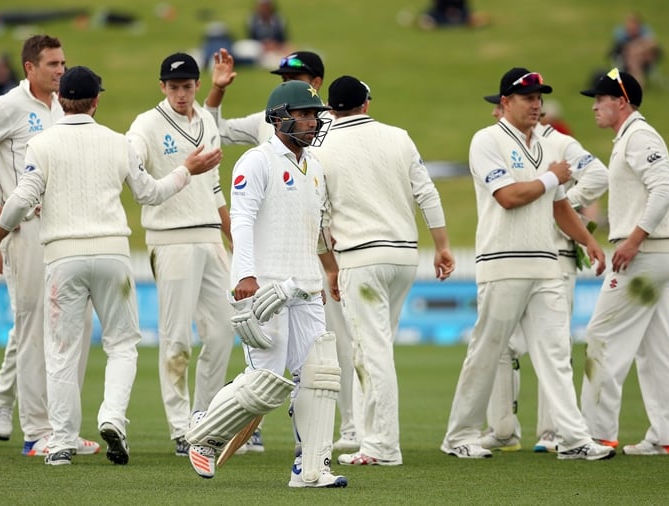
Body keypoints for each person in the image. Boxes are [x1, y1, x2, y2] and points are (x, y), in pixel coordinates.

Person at [0, 65, 222, 466]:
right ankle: (113, 418)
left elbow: (21, 199)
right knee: (123, 345)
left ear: (60, 100)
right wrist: (186, 171)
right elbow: (151, 194)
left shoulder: (43, 144)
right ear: (96, 101)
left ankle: (61, 443)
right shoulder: (117, 141)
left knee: (61, 351)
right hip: (113, 256)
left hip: (63, 256)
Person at [440, 67, 614, 461]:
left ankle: (572, 438)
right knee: (488, 350)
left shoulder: (551, 145)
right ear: (505, 102)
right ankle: (460, 435)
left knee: (555, 353)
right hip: (502, 261)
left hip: (546, 263)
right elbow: (508, 196)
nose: (536, 105)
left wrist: (587, 240)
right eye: (527, 98)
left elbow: (558, 206)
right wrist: (553, 178)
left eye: (539, 98)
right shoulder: (486, 140)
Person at [185, 80, 348, 488]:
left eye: (315, 115)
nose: (312, 122)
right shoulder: (256, 162)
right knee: (265, 385)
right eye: (304, 114)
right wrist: (245, 275)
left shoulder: (315, 166)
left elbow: (317, 228)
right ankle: (203, 432)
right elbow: (240, 220)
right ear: (279, 117)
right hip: (266, 289)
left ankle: (310, 468)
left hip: (306, 287)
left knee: (317, 377)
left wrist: (329, 268)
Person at [0, 34, 100, 457]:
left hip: (65, 228)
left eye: (63, 62)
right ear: (29, 68)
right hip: (24, 230)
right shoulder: (8, 107)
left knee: (65, 325)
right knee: (34, 325)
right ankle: (38, 433)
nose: (61, 70)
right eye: (53, 64)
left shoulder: (64, 105)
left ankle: (27, 410)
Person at [314, 76, 455, 466]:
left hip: (361, 259)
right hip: (403, 258)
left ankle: (383, 446)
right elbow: (426, 192)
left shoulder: (320, 146)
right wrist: (442, 246)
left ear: (330, 108)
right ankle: (367, 435)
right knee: (371, 348)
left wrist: (329, 267)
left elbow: (318, 216)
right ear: (366, 104)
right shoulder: (399, 136)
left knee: (371, 350)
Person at [478, 93, 609, 454]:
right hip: (514, 256)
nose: (494, 111)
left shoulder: (558, 141)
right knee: (502, 346)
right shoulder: (499, 142)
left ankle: (553, 432)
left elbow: (598, 174)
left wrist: (568, 212)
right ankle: (503, 429)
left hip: (556, 256)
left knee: (554, 346)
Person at [126, 52, 235, 457]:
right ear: (162, 87)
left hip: (209, 236)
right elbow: (133, 166)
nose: (182, 94)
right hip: (169, 238)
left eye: (188, 86)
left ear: (195, 85)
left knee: (223, 331)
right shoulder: (145, 125)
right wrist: (182, 168)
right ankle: (178, 428)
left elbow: (216, 186)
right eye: (174, 87)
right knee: (176, 342)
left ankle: (203, 419)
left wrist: (230, 233)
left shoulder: (206, 120)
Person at [579, 69, 669, 456]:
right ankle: (668, 437)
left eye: (600, 99)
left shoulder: (640, 136)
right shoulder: (629, 137)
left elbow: (664, 188)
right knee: (656, 346)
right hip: (657, 253)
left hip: (644, 253)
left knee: (601, 337)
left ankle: (594, 435)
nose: (594, 106)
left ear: (621, 101)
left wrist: (634, 240)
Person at [610, 12, 661, 86]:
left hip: (645, 57)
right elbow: (621, 47)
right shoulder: (621, 33)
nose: (632, 26)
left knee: (636, 53)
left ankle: (637, 84)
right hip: (627, 58)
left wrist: (638, 48)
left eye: (634, 24)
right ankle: (638, 84)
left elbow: (653, 43)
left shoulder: (644, 31)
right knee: (633, 56)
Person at [247, 0, 290, 67]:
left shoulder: (279, 20)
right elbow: (251, 40)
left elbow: (283, 39)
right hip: (259, 49)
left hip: (276, 48)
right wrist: (264, 45)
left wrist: (275, 45)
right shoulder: (252, 20)